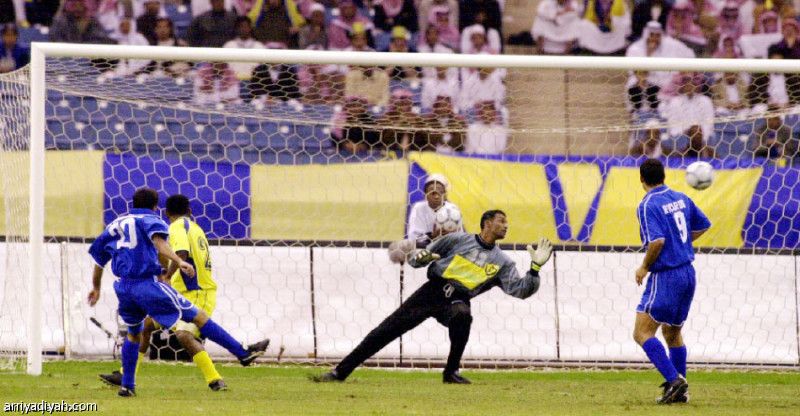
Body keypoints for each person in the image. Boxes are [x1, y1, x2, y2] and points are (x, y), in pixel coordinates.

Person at [313, 210, 554, 384]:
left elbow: (521, 290)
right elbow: (418, 259)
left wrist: (534, 268)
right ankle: (340, 372)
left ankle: (450, 372)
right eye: (502, 221)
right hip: (432, 292)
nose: (506, 226)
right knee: (385, 330)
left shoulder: (503, 262)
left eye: (507, 222)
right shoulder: (458, 240)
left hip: (457, 298)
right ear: (487, 223)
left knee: (463, 316)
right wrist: (422, 258)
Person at [87, 188, 270, 397]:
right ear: (156, 207)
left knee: (134, 333)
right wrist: (179, 261)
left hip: (123, 287)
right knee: (198, 317)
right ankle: (242, 353)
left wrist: (96, 287)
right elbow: (159, 243)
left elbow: (99, 259)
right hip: (147, 285)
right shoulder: (151, 220)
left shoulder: (114, 225)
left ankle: (127, 385)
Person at [98, 194, 232, 391]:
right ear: (190, 210)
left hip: (195, 291)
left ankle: (215, 378)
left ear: (166, 212)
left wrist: (167, 275)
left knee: (184, 335)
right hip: (184, 291)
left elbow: (181, 253)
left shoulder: (177, 227)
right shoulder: (194, 227)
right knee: (145, 328)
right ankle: (126, 375)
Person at [633, 158, 711, 404]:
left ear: (642, 179)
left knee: (642, 332)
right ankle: (681, 393)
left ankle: (674, 380)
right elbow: (704, 225)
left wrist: (644, 267)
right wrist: (683, 245)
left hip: (666, 275)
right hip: (688, 273)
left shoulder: (647, 204)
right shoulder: (680, 198)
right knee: (673, 332)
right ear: (664, 176)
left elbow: (657, 241)